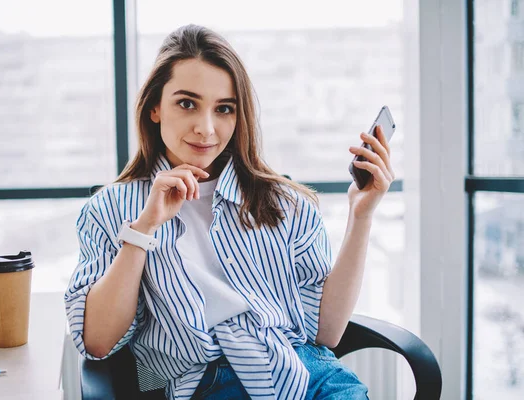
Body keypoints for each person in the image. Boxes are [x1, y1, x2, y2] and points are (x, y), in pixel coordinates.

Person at [65, 24, 395, 400]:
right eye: (187, 103)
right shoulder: (110, 210)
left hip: (308, 373)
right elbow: (97, 341)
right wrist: (144, 228)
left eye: (224, 109)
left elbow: (326, 333)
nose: (206, 129)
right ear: (155, 107)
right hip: (206, 384)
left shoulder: (285, 202)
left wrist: (361, 215)